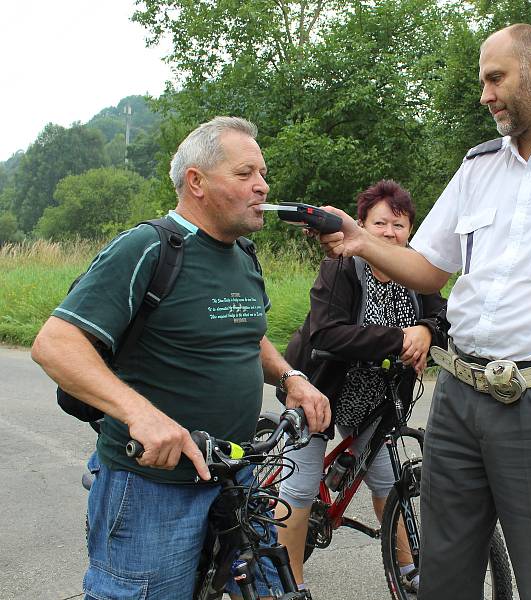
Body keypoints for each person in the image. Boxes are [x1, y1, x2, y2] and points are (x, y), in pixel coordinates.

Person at [316, 24, 531, 600]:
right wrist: (360, 240)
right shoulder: (479, 166)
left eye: (494, 78)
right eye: (483, 81)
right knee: (444, 578)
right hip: (457, 400)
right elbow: (430, 268)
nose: (485, 94)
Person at [30, 116, 330, 600]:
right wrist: (142, 415)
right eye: (245, 173)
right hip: (154, 486)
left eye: (263, 173)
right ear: (197, 182)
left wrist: (290, 375)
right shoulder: (148, 247)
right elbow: (55, 343)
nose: (262, 186)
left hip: (238, 474)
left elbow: (246, 335)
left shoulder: (244, 255)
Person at [275, 180, 447, 593]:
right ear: (362, 226)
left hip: (377, 401)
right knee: (299, 488)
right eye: (380, 223)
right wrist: (399, 340)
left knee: (389, 482)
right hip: (321, 391)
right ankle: (290, 584)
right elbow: (327, 334)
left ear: (410, 230)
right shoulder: (341, 267)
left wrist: (425, 329)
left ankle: (408, 568)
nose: (389, 233)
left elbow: (444, 316)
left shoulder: (416, 270)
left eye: (399, 225)